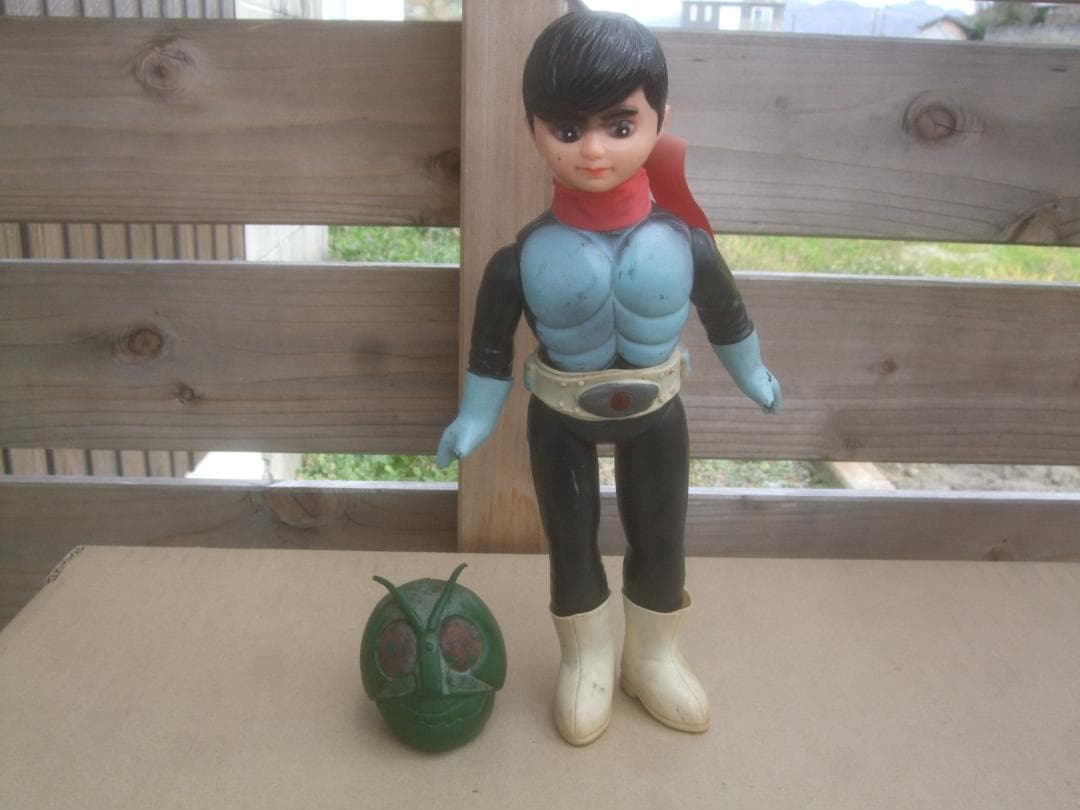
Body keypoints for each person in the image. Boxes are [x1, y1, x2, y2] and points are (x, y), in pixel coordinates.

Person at [436, 11, 781, 746]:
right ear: (533, 128)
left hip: (658, 416)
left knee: (662, 536)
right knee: (570, 541)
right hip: (560, 419)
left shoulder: (685, 244)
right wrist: (475, 416)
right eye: (568, 129)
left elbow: (727, 316)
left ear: (660, 120)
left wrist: (753, 372)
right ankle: (587, 658)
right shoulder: (521, 259)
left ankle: (651, 658)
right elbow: (491, 349)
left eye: (620, 126)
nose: (593, 150)